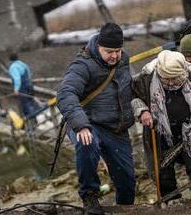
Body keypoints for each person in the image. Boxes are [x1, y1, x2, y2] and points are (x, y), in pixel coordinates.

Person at [57, 23, 136, 214]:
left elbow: (129, 89)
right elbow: (65, 93)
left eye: (118, 50)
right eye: (109, 51)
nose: (114, 56)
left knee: (127, 179)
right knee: (87, 143)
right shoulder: (82, 65)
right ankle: (90, 195)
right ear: (98, 46)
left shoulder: (123, 60)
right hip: (89, 123)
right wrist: (81, 125)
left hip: (116, 127)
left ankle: (124, 207)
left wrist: (142, 110)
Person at [131, 50, 191, 202]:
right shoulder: (145, 79)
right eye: (166, 79)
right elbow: (133, 97)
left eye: (174, 78)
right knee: (164, 173)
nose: (171, 82)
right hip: (160, 134)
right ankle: (172, 203)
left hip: (190, 135)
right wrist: (142, 111)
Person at [8, 53, 38, 119]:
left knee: (26, 104)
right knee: (31, 102)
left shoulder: (13, 67)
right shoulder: (23, 64)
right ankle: (36, 120)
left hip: (22, 87)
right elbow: (29, 74)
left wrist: (16, 89)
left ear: (10, 60)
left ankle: (31, 123)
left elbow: (17, 78)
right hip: (29, 85)